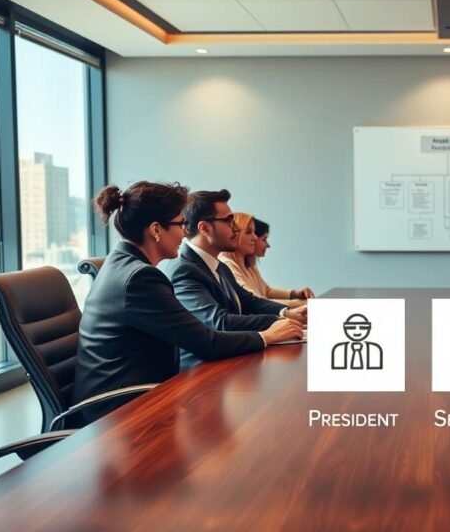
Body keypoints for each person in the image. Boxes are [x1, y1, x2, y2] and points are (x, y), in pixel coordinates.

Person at [74, 181, 302, 424]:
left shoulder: (121, 264)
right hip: (116, 415)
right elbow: (206, 342)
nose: (185, 233)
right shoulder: (140, 278)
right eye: (180, 224)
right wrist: (267, 336)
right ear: (156, 230)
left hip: (132, 397)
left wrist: (280, 319)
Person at [161, 190, 308, 369]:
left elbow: (249, 301)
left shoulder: (219, 265)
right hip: (201, 370)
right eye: (229, 220)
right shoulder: (184, 270)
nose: (236, 229)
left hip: (230, 358)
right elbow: (219, 322)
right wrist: (276, 322)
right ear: (205, 228)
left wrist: (287, 313)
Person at [219, 212, 314, 308]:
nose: (255, 237)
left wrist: (294, 294)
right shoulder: (227, 264)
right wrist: (303, 304)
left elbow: (266, 291)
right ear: (234, 234)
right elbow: (255, 301)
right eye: (248, 232)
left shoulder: (248, 263)